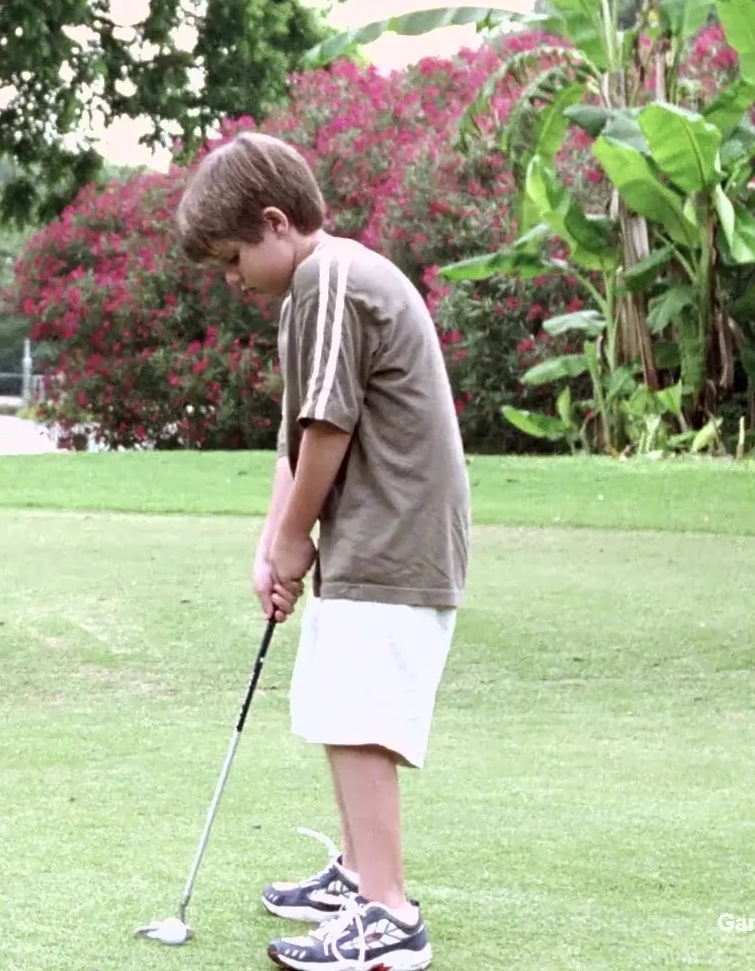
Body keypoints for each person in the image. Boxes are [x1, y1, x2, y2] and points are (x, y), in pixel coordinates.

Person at [173, 131, 471, 971]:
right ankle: (358, 876)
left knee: (361, 719)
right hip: (370, 537)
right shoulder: (306, 294)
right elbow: (292, 439)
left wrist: (299, 534)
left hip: (394, 535)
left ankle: (388, 917)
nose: (232, 281)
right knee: (343, 706)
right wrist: (274, 543)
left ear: (275, 223)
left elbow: (329, 429)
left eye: (234, 260)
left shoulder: (332, 281)